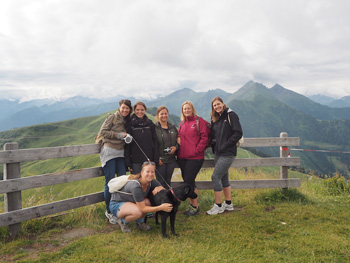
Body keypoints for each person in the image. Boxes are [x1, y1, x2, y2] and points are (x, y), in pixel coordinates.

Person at [109, 162, 173, 233]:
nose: (150, 174)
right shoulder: (136, 186)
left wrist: (160, 187)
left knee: (148, 202)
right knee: (138, 212)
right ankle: (123, 221)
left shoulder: (151, 181)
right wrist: (160, 207)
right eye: (147, 171)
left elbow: (163, 189)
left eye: (152, 172)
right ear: (142, 173)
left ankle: (139, 223)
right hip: (117, 204)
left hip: (130, 202)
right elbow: (143, 208)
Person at [97, 99, 132, 224]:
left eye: (127, 108)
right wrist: (119, 135)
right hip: (109, 151)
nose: (125, 110)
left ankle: (120, 209)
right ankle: (109, 212)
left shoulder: (127, 120)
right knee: (110, 182)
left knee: (122, 181)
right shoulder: (112, 117)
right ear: (119, 107)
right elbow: (103, 132)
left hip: (121, 153)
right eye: (123, 107)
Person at [206, 97, 243, 215]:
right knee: (223, 177)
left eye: (218, 104)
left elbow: (238, 132)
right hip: (218, 153)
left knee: (215, 177)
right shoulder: (216, 118)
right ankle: (228, 203)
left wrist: (226, 145)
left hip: (228, 153)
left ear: (223, 103)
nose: (217, 107)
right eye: (214, 105)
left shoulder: (231, 115)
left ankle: (218, 206)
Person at [177, 101, 209, 216]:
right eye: (184, 109)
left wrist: (196, 150)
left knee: (188, 181)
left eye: (188, 108)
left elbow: (204, 138)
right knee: (189, 182)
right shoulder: (182, 123)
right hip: (182, 158)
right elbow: (180, 138)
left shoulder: (198, 121)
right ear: (182, 111)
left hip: (195, 158)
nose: (186, 110)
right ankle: (192, 206)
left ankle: (195, 206)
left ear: (192, 109)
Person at [125, 101, 159, 174]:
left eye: (142, 110)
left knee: (147, 181)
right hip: (135, 160)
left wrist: (156, 158)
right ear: (134, 110)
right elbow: (127, 144)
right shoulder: (130, 124)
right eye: (137, 110)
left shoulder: (150, 123)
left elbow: (155, 141)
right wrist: (128, 162)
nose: (140, 112)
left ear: (145, 110)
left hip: (149, 159)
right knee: (136, 182)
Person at [154, 106, 179, 188]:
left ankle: (167, 200)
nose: (164, 115)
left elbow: (179, 140)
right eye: (161, 114)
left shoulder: (173, 127)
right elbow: (151, 144)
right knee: (160, 182)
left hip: (171, 160)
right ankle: (161, 200)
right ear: (158, 115)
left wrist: (175, 147)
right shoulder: (154, 128)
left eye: (165, 113)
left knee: (168, 181)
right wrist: (156, 158)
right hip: (160, 160)